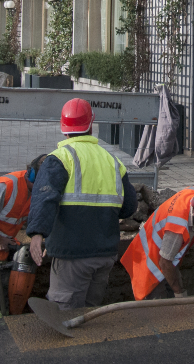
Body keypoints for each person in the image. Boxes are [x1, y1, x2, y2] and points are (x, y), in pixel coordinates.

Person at [25, 98, 139, 310]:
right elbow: (129, 207)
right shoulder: (113, 161)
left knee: (64, 313)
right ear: (91, 124)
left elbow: (45, 197)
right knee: (90, 312)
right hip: (105, 255)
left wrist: (37, 234)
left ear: (63, 129)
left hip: (72, 254)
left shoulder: (59, 158)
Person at [121, 186, 194, 300]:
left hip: (167, 255)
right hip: (148, 264)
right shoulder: (177, 227)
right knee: (158, 306)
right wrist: (179, 293)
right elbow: (165, 263)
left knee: (173, 286)